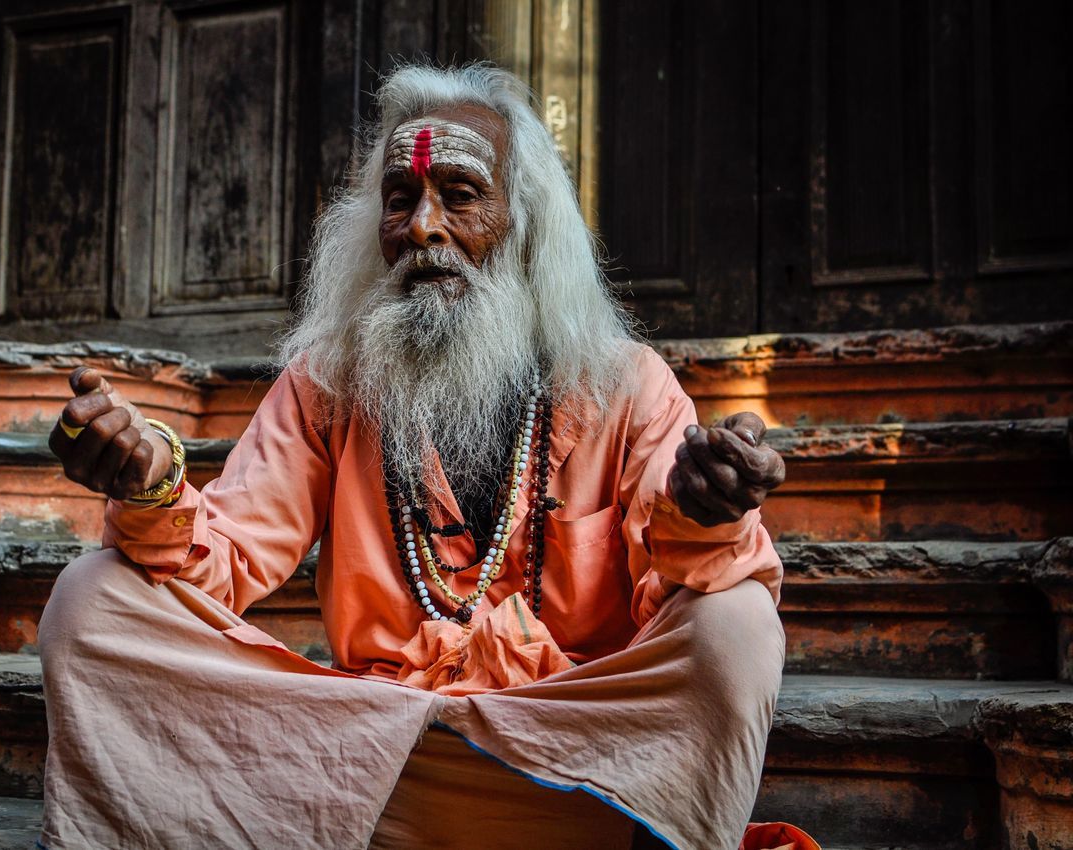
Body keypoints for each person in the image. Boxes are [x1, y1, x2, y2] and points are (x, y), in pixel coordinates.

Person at [40, 64, 812, 850]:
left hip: (568, 747)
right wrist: (151, 488)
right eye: (401, 200)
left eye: (461, 194)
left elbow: (677, 587)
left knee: (736, 623)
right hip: (366, 743)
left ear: (525, 223)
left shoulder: (624, 385)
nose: (422, 227)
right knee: (93, 598)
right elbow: (227, 555)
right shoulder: (331, 385)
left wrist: (705, 514)